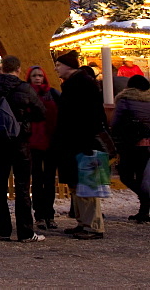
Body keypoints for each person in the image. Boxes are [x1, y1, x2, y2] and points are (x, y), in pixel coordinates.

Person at [0, 56, 46, 242]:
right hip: (20, 140)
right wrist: (23, 119)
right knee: (23, 187)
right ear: (18, 68)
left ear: (2, 68)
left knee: (0, 186)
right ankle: (25, 231)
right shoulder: (24, 88)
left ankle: (3, 229)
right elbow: (41, 112)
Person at [52, 50, 109, 240]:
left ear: (68, 66)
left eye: (59, 65)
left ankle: (93, 225)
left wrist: (84, 140)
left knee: (87, 185)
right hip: (75, 142)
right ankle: (83, 222)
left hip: (81, 142)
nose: (56, 68)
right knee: (78, 185)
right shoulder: (75, 84)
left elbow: (87, 116)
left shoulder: (82, 85)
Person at [111, 74, 150, 223]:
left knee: (125, 175)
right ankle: (144, 210)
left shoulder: (124, 99)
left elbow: (115, 122)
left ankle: (146, 200)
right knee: (142, 177)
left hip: (130, 144)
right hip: (147, 145)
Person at [26, 65, 60, 230]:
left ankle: (49, 214)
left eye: (40, 75)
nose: (38, 78)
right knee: (37, 180)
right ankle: (39, 215)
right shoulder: (27, 94)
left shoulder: (53, 93)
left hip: (51, 141)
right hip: (33, 142)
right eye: (34, 76)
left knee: (49, 180)